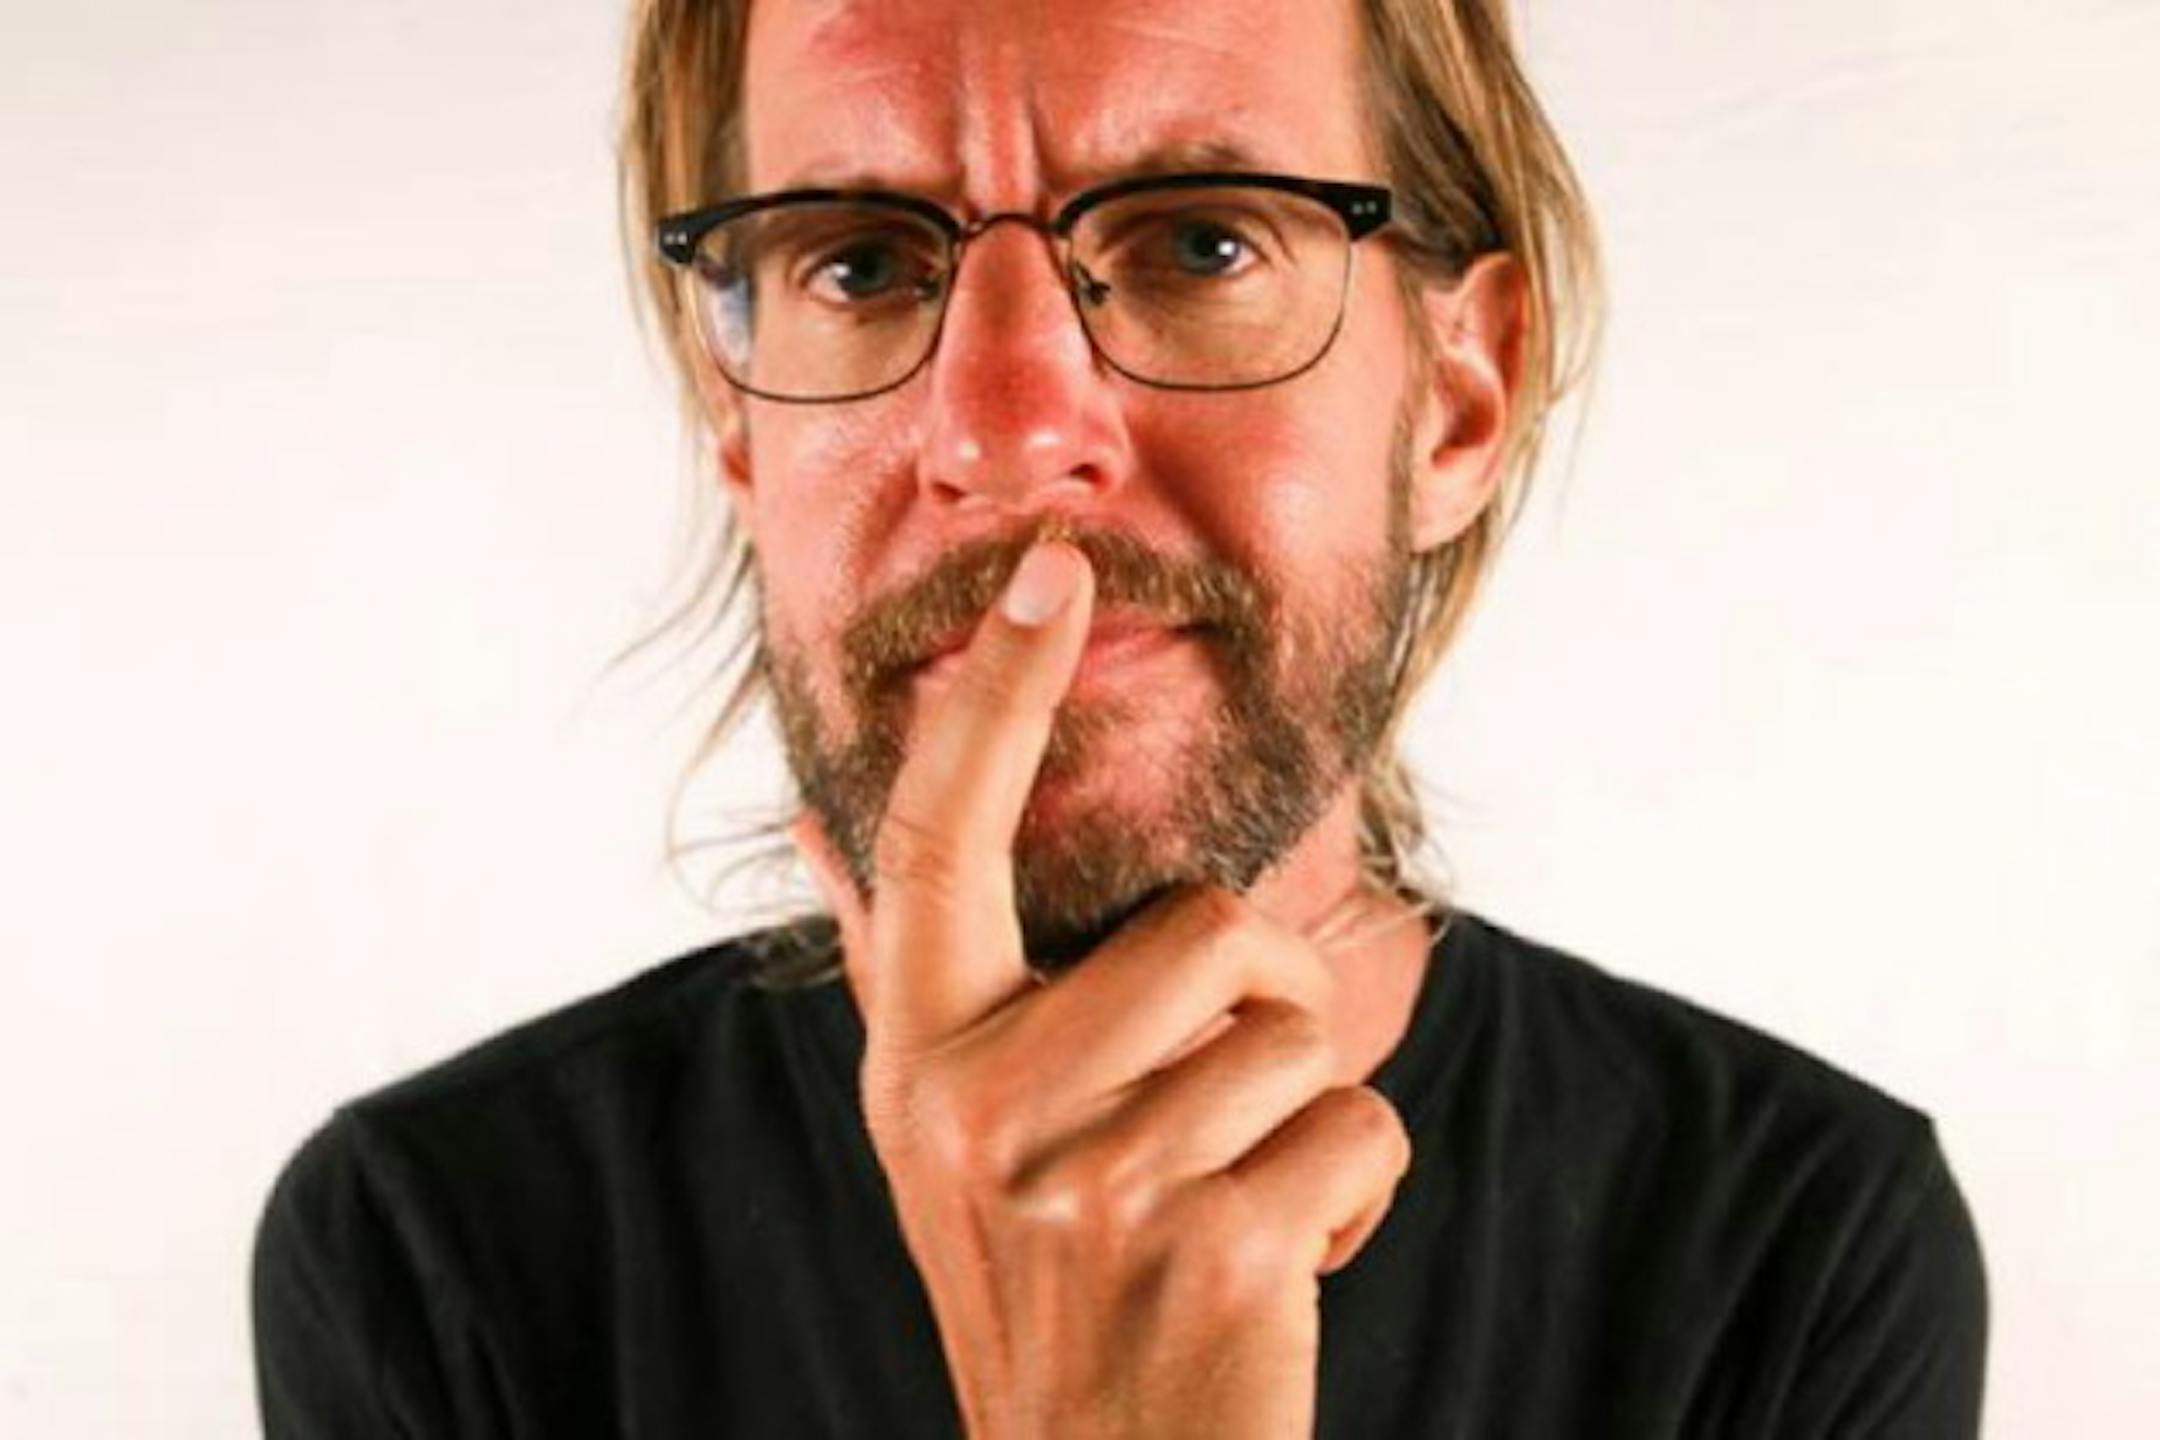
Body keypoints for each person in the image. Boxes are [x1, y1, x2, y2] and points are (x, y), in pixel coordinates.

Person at [250, 0, 1989, 1434]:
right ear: (739, 428)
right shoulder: (440, 1248)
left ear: (1460, 401)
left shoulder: (1796, 1245)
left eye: (1200, 241)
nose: (1007, 437)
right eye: (859, 266)